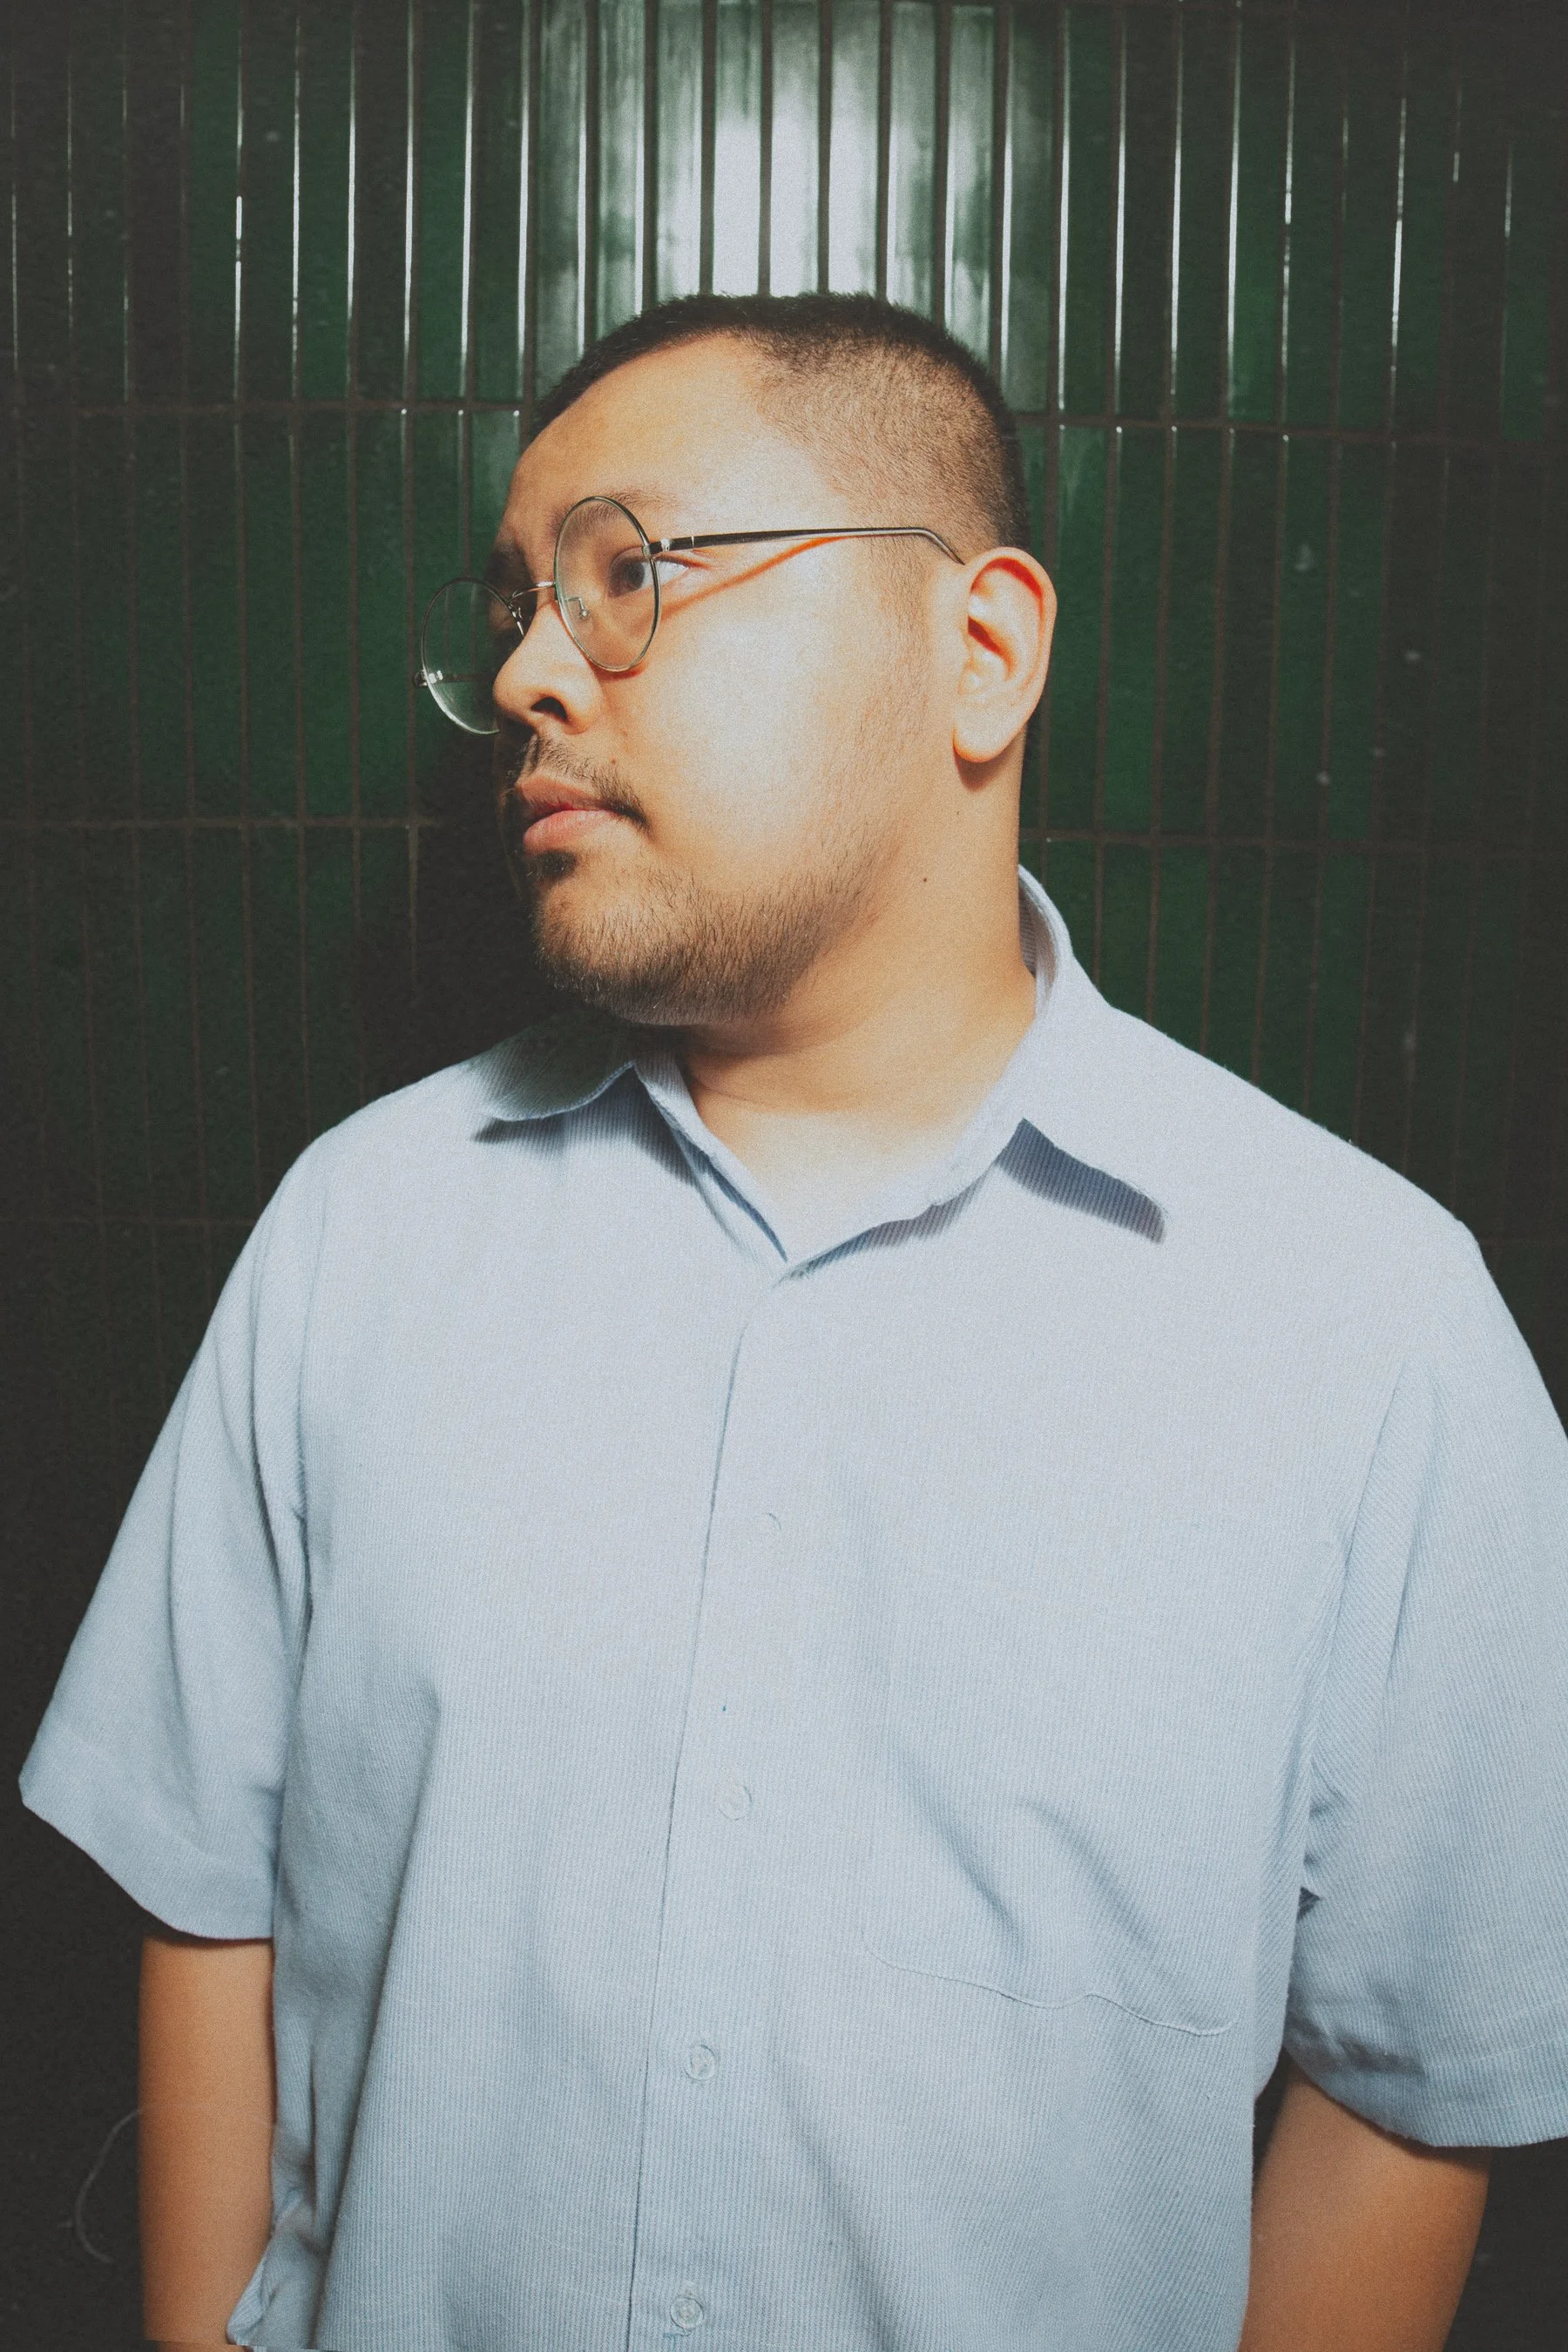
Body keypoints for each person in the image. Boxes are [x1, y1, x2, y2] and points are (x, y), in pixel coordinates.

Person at [19, 291, 1568, 2352]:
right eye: (514, 600)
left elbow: (1405, 2093)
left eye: (627, 575)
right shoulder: (359, 1237)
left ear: (982, 652)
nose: (524, 671)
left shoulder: (1371, 1332)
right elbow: (207, 1897)